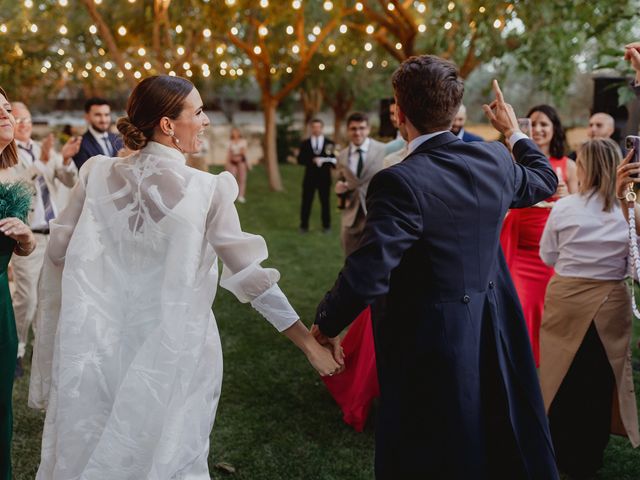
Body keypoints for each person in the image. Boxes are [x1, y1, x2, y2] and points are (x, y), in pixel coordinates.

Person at [28, 75, 341, 479]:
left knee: (94, 446)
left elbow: (56, 252)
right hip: (173, 354)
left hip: (100, 344)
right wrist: (308, 344)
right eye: (198, 111)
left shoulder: (95, 173)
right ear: (168, 124)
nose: (207, 120)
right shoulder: (207, 190)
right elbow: (249, 277)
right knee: (166, 457)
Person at [313, 56, 559, 479]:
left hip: (428, 341)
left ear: (399, 113)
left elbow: (370, 270)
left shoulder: (400, 181)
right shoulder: (495, 159)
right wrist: (512, 130)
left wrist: (326, 325)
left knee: (426, 446)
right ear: (452, 109)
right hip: (490, 326)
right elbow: (544, 178)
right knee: (489, 431)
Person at [539, 138, 639, 479]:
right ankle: (588, 456)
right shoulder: (628, 209)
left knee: (561, 376)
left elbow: (547, 256)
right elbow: (635, 269)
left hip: (565, 301)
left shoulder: (563, 208)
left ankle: (558, 449)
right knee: (599, 380)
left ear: (583, 167)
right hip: (610, 304)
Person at [499, 104, 578, 365]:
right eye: (533, 124)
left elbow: (580, 208)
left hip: (553, 254)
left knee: (551, 312)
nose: (539, 130)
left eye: (545, 124)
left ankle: (550, 366)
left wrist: (567, 198)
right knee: (521, 307)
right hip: (520, 250)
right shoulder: (514, 163)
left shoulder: (568, 165)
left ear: (555, 129)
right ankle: (522, 363)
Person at [10, 101, 79, 377]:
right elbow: (16, 187)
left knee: (51, 296)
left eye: (27, 118)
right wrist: (40, 163)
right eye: (18, 119)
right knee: (27, 299)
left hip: (53, 234)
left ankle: (44, 350)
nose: (25, 123)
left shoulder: (42, 149)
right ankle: (16, 348)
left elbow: (68, 179)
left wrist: (64, 159)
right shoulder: (7, 154)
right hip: (28, 238)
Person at [0, 86, 37, 480]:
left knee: (0, 406)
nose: (6, 115)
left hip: (0, 307)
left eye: (7, 108)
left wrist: (25, 238)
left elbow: (23, 247)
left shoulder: (14, 173)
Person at [334, 112, 385, 256]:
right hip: (350, 219)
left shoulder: (383, 150)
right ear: (348, 130)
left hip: (376, 215)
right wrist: (339, 191)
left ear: (368, 129)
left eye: (361, 128)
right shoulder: (342, 156)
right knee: (350, 263)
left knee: (376, 263)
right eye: (353, 128)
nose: (357, 132)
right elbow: (341, 183)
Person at [297, 118, 335, 233]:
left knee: (325, 202)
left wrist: (324, 161)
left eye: (318, 127)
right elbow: (300, 160)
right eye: (314, 127)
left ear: (322, 128)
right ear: (311, 128)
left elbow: (334, 160)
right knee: (306, 202)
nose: (316, 129)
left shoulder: (330, 143)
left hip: (324, 178)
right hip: (309, 177)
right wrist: (312, 160)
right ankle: (304, 226)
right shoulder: (305, 143)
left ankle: (326, 226)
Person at [72, 97, 123, 170]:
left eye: (106, 115)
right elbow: (85, 175)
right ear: (87, 117)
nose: (103, 120)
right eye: (98, 115)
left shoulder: (117, 139)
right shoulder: (79, 144)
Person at [225, 127, 249, 203]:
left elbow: (243, 152)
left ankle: (241, 196)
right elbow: (229, 154)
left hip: (241, 162)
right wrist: (227, 163)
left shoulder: (243, 141)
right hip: (232, 162)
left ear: (239, 133)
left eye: (236, 132)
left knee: (242, 179)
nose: (234, 133)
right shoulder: (230, 142)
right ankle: (233, 196)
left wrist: (235, 153)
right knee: (232, 179)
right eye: (233, 132)